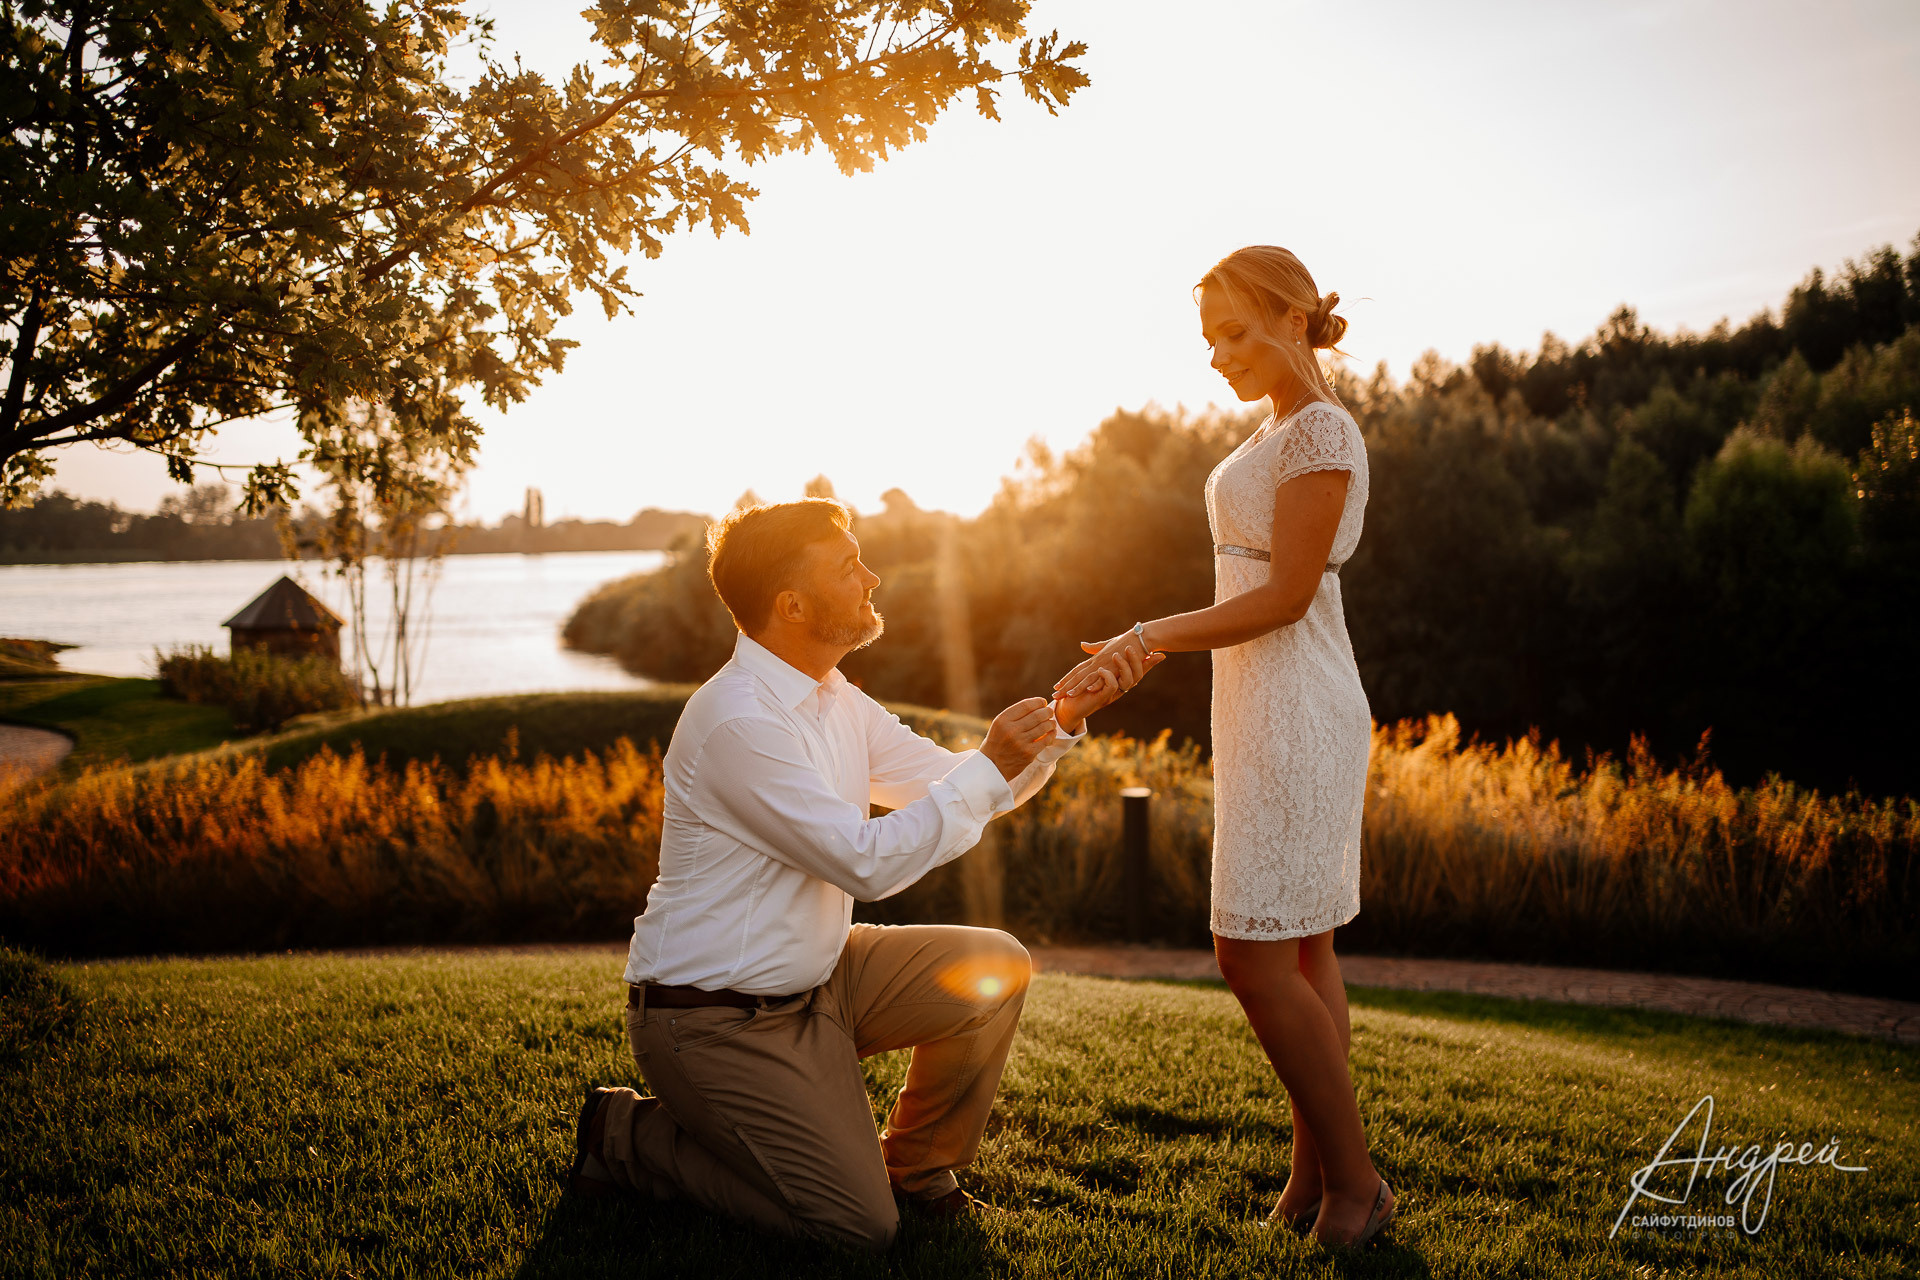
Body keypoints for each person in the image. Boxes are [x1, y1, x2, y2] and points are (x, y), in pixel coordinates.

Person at [569, 497, 1158, 1252]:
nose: (872, 577)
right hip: (712, 1018)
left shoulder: (833, 696)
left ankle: (917, 1167)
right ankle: (627, 1135)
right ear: (792, 604)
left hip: (819, 979)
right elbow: (864, 861)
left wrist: (1064, 718)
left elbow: (962, 784)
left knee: (995, 966)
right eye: (849, 567)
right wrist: (989, 765)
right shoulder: (740, 723)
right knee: (854, 1226)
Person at [1055, 245, 1395, 1247]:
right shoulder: (1282, 428)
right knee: (1301, 944)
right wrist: (1146, 651)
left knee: (1250, 951)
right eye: (1209, 339)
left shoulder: (1321, 431)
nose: (1218, 356)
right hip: (1262, 700)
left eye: (1236, 333)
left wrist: (1149, 634)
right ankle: (1316, 1174)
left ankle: (1359, 1185)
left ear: (1294, 319)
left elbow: (1288, 597)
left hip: (1298, 703)